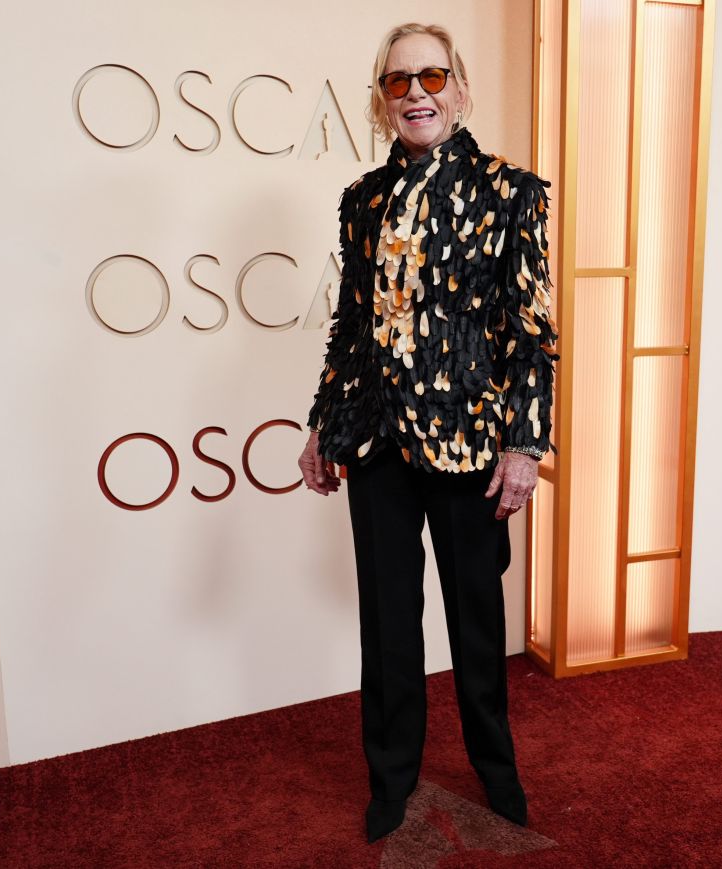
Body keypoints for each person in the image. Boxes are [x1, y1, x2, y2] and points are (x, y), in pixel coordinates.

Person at [297, 22, 558, 844]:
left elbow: (531, 332)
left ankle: (497, 771)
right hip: (375, 438)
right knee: (388, 618)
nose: (417, 92)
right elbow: (350, 326)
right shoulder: (361, 201)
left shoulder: (512, 192)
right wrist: (322, 424)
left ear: (460, 88)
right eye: (399, 81)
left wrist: (524, 444)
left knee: (477, 620)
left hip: (471, 445)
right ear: (382, 101)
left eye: (433, 76)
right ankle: (392, 778)